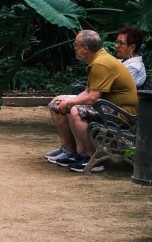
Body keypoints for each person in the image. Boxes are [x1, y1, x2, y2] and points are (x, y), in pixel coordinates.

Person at [46, 28, 138, 173]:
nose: (74, 48)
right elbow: (87, 91)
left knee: (76, 111)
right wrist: (66, 101)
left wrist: (69, 103)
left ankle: (91, 158)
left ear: (85, 49)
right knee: (62, 103)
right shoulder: (98, 59)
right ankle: (74, 152)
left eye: (76, 45)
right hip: (111, 106)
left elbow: (92, 98)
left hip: (123, 113)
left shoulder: (101, 63)